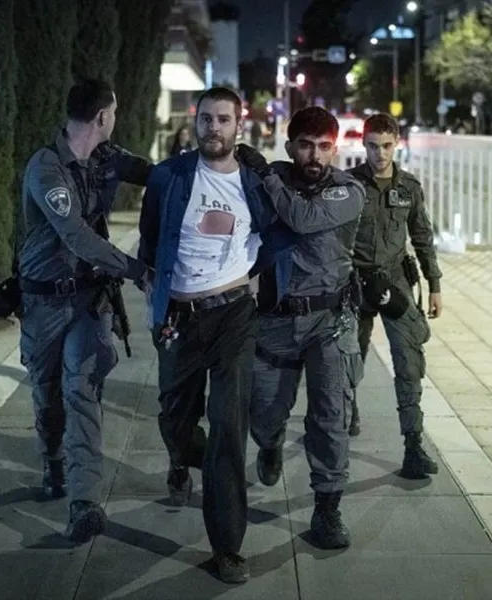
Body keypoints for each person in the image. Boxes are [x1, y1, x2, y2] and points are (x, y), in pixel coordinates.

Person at [137, 86, 365, 584]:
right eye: (206, 118)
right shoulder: (172, 176)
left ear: (239, 127)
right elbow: (151, 236)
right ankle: (190, 455)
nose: (213, 127)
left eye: (224, 119)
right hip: (192, 317)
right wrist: (151, 283)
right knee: (179, 421)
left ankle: (232, 545)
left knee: (239, 429)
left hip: (252, 317)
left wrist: (245, 272)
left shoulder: (273, 182)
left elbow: (294, 224)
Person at [18, 78, 152, 544]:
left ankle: (85, 502)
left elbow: (159, 175)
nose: (115, 121)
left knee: (82, 388)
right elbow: (75, 235)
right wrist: (137, 270)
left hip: (88, 300)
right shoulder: (46, 168)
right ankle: (53, 459)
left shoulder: (107, 159)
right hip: (44, 302)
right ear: (101, 116)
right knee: (48, 396)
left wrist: (222, 162)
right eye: (113, 114)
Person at [249, 107, 365, 550]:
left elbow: (303, 218)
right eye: (305, 145)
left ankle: (328, 508)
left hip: (329, 322)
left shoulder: (347, 190)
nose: (314, 155)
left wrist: (268, 177)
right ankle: (270, 444)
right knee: (263, 414)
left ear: (334, 148)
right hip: (275, 320)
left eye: (323, 146)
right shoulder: (269, 178)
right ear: (289, 146)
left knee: (330, 416)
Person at [348, 113, 443, 480]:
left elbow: (422, 237)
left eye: (387, 146)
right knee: (348, 358)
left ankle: (413, 444)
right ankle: (346, 410)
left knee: (408, 361)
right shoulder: (349, 185)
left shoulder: (409, 187)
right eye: (373, 146)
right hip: (356, 283)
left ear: (397, 144)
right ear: (364, 144)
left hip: (395, 282)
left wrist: (434, 285)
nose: (380, 153)